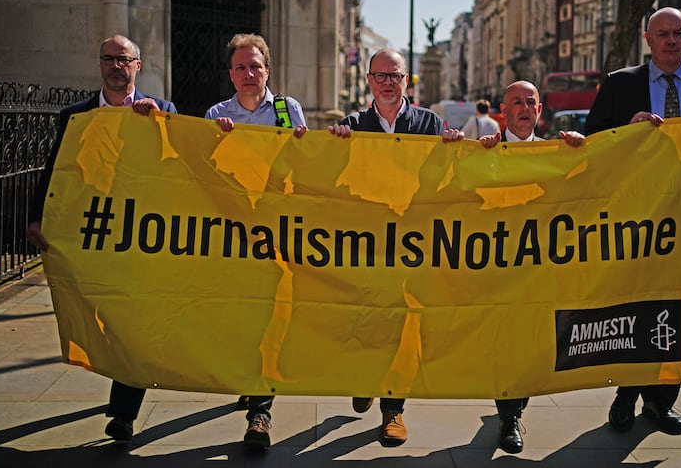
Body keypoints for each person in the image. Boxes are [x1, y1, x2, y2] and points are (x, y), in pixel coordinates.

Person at [584, 6, 681, 436]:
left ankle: (662, 401)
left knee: (678, 307)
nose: (672, 40)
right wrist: (627, 131)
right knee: (634, 304)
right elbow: (593, 142)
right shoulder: (621, 84)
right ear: (647, 39)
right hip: (634, 221)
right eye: (663, 34)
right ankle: (624, 398)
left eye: (679, 33)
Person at [25, 34, 177, 442]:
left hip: (141, 240)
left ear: (137, 66)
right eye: (108, 59)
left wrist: (158, 127)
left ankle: (123, 413)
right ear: (100, 64)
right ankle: (122, 381)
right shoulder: (76, 116)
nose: (115, 66)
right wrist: (38, 218)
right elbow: (57, 172)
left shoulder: (163, 110)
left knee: (134, 325)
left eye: (123, 59)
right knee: (105, 321)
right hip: (92, 237)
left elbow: (178, 172)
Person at [327, 48, 447, 446]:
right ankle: (365, 376)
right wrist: (335, 146)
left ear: (407, 80)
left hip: (410, 246)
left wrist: (454, 148)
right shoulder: (353, 124)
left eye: (395, 76)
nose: (388, 83)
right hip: (365, 244)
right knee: (364, 318)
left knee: (400, 324)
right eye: (381, 76)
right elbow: (334, 180)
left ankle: (393, 410)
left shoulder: (429, 123)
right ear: (368, 81)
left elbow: (443, 177)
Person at [204, 33, 306, 450]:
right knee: (239, 315)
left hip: (274, 229)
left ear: (268, 70)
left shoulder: (287, 109)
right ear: (231, 73)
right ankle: (248, 378)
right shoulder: (215, 114)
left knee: (268, 314)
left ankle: (260, 413)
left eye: (256, 66)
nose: (249, 74)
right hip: (231, 232)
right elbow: (203, 173)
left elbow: (304, 165)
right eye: (241, 67)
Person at [473, 80, 584, 453]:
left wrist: (580, 153)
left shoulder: (557, 152)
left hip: (540, 270)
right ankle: (508, 417)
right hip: (498, 268)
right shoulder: (485, 151)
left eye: (531, 102)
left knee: (534, 343)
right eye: (516, 102)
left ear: (540, 110)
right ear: (503, 111)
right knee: (506, 343)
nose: (524, 108)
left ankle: (516, 405)